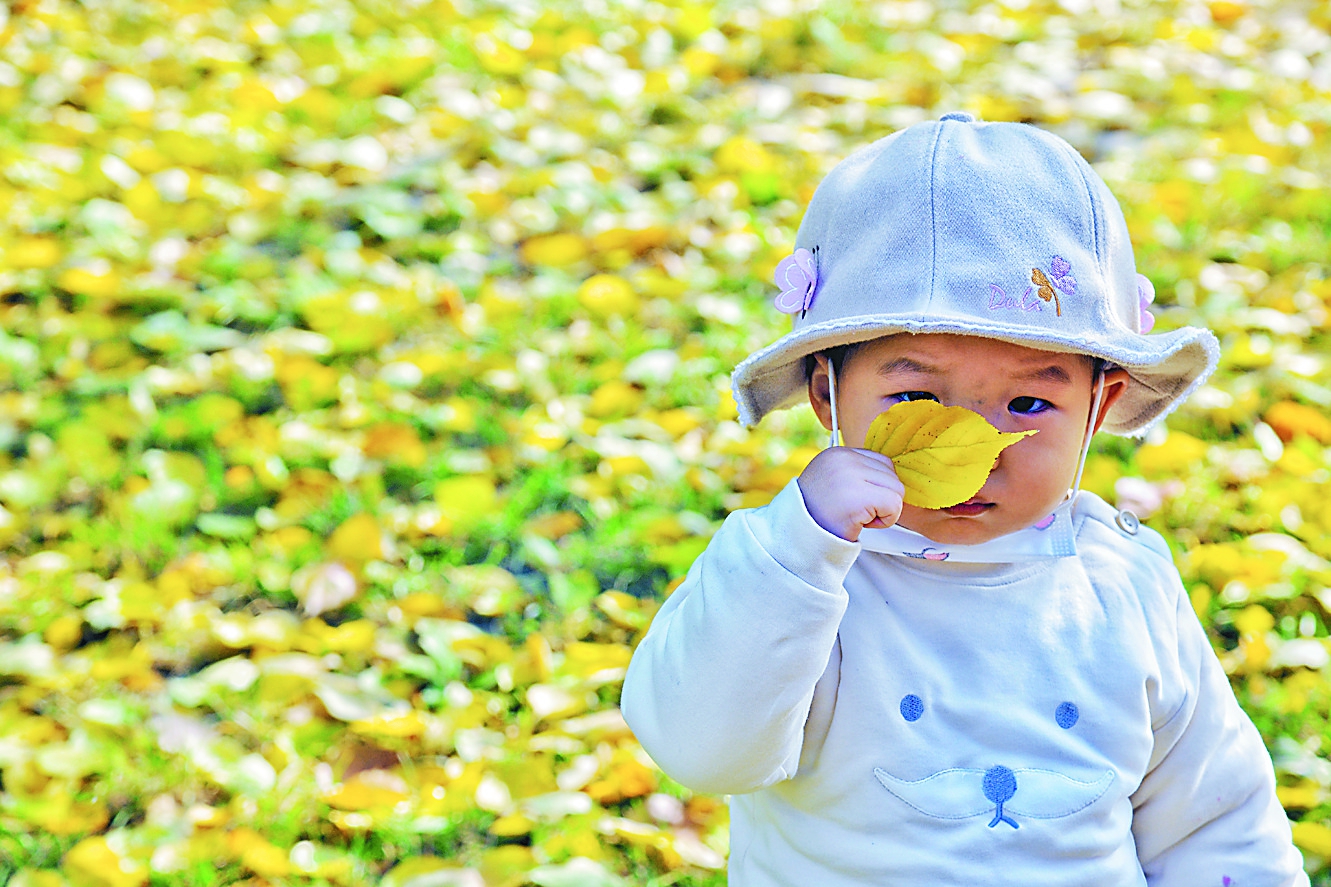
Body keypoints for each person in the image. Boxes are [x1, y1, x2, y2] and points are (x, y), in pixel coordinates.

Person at [621, 112, 1309, 886]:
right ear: (826, 395)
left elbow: (1211, 814)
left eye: (1026, 406)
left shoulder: (1124, 586)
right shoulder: (796, 581)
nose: (972, 452)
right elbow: (701, 748)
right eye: (917, 396)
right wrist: (796, 550)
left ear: (1098, 403)